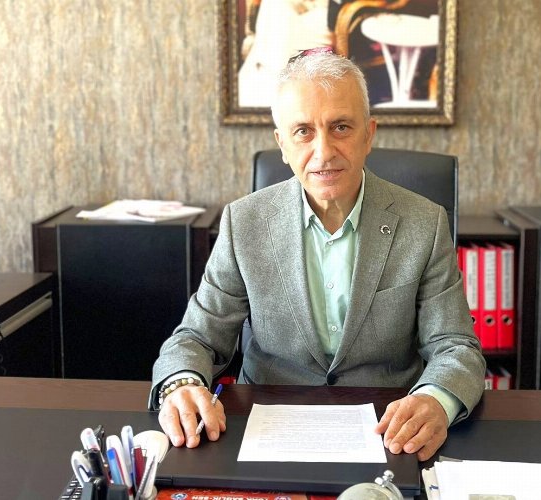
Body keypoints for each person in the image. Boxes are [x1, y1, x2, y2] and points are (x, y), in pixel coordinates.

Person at [151, 48, 485, 461]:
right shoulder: (244, 223)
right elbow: (197, 337)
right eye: (303, 131)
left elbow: (455, 345)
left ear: (369, 134)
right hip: (267, 426)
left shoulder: (424, 223)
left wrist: (435, 400)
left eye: (340, 127)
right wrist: (181, 384)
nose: (323, 152)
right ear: (282, 144)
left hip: (389, 431)